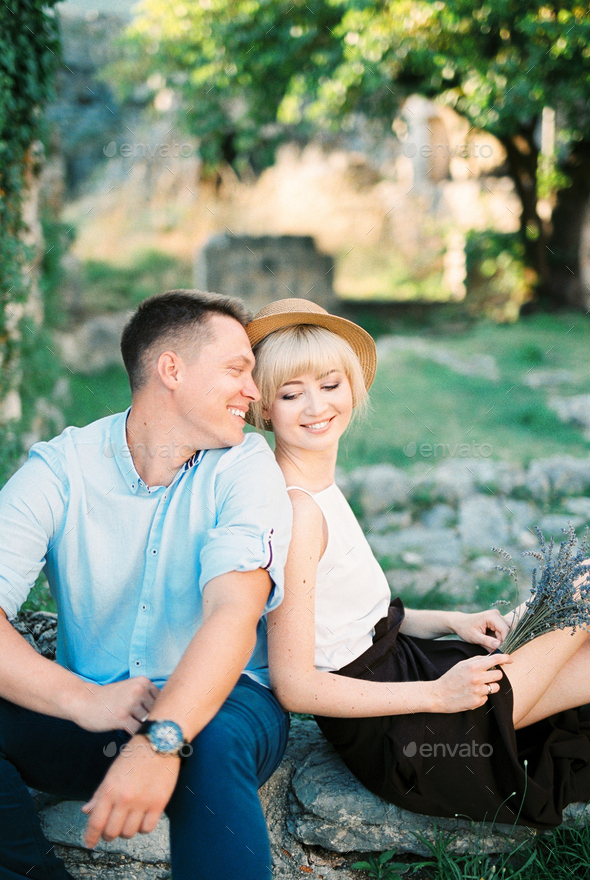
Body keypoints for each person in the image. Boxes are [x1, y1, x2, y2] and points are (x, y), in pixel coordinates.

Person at [246, 297, 590, 830]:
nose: (316, 407)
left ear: (353, 388)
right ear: (265, 406)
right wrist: (439, 694)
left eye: (330, 385)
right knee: (580, 601)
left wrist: (452, 621)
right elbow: (294, 684)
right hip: (404, 730)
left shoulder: (317, 489)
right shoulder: (297, 510)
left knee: (578, 609)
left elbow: (356, 620)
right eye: (292, 393)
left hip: (409, 670)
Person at [0, 290, 293, 880]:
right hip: (99, 707)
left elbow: (233, 615)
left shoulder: (245, 465)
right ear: (171, 370)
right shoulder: (61, 468)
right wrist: (84, 699)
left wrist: (163, 740)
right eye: (238, 370)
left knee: (208, 749)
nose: (254, 393)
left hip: (228, 702)